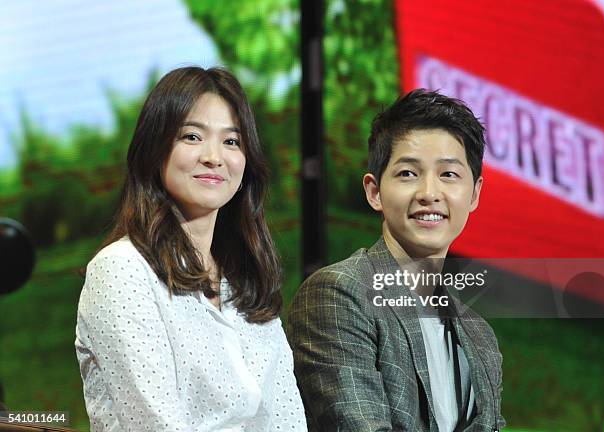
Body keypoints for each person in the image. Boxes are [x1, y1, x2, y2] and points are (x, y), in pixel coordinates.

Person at [75, 66, 306, 432]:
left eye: (232, 141)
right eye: (192, 136)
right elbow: (153, 424)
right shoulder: (122, 271)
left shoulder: (244, 282)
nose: (214, 157)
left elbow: (287, 419)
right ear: (154, 149)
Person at [288, 89, 505, 431]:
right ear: (374, 192)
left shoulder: (480, 337)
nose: (429, 194)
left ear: (475, 193)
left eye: (449, 175)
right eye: (408, 174)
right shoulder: (339, 295)